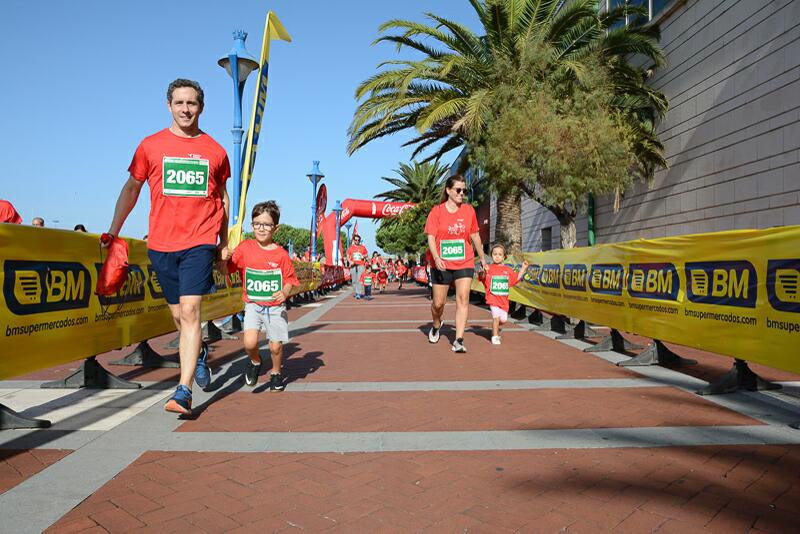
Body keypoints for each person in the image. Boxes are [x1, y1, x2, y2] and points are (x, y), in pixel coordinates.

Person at [104, 78, 231, 416]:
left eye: (192, 103)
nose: (186, 109)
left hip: (200, 243)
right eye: (179, 103)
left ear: (201, 107)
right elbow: (132, 188)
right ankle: (199, 352)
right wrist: (114, 231)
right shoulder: (150, 146)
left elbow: (222, 198)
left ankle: (184, 390)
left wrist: (224, 240)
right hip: (161, 244)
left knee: (191, 312)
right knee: (178, 315)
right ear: (169, 106)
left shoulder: (216, 151)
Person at [226, 201, 299, 391]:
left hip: (275, 307)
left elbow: (290, 279)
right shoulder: (245, 248)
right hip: (253, 304)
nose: (261, 228)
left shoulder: (281, 254)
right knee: (249, 343)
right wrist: (223, 256)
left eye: (266, 225)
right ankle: (255, 361)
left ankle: (275, 373)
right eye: (257, 223)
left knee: (275, 346)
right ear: (251, 225)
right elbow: (228, 268)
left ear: (275, 228)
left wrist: (284, 292)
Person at [425, 174, 486, 353]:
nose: (462, 193)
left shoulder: (469, 211)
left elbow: (474, 235)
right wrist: (436, 257)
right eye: (458, 190)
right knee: (438, 303)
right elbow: (431, 237)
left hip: (464, 261)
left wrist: (482, 258)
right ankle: (436, 325)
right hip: (441, 263)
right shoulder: (437, 211)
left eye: (464, 191)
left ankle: (459, 339)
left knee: (463, 299)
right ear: (448, 190)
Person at [480, 244, 529, 345]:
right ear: (491, 255)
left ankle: (496, 326)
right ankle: (495, 336)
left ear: (504, 257)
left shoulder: (507, 270)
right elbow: (481, 277)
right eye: (494, 254)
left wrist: (523, 268)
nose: (497, 256)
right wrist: (483, 271)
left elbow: (515, 279)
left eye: (499, 254)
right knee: (496, 317)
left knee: (503, 320)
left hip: (504, 301)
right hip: (492, 299)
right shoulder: (488, 268)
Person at [346, 234, 368, 299]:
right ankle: (356, 292)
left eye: (358, 240)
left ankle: (358, 293)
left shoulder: (362, 247)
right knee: (354, 281)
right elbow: (347, 256)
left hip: (361, 265)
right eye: (356, 240)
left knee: (359, 279)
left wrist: (363, 256)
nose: (357, 241)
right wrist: (350, 262)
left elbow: (366, 254)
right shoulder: (350, 248)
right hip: (353, 265)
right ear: (353, 240)